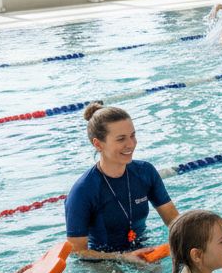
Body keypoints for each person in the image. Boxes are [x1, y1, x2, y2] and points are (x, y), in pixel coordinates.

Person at [65, 102, 180, 262]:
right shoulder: (83, 191)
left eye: (132, 135)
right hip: (103, 262)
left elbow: (175, 222)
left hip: (142, 248)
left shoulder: (145, 172)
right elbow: (77, 251)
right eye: (121, 139)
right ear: (98, 144)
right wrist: (123, 258)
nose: (131, 144)